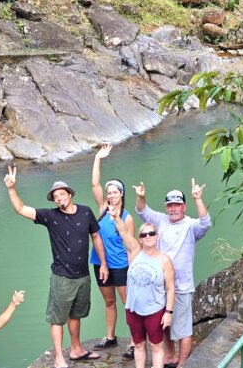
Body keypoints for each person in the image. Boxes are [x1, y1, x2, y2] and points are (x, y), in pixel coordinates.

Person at [3, 165, 108, 368]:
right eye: (55, 197)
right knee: (58, 318)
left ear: (70, 194)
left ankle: (76, 350)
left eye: (61, 194)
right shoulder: (51, 216)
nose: (59, 199)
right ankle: (59, 357)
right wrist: (11, 188)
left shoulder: (86, 212)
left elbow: (96, 237)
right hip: (62, 277)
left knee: (76, 315)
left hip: (83, 275)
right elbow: (21, 209)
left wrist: (103, 264)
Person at [133, 178, 211, 368]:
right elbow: (142, 210)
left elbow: (205, 222)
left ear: (184, 206)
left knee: (183, 329)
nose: (173, 208)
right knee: (163, 323)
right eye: (170, 205)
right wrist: (141, 196)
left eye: (177, 204)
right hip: (160, 286)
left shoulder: (190, 225)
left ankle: (182, 364)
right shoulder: (161, 220)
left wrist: (198, 199)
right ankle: (170, 356)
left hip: (181, 286)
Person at [108, 205, 175, 368]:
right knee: (138, 344)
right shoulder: (135, 252)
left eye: (151, 233)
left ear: (157, 236)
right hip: (133, 309)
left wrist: (168, 312)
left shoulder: (164, 260)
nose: (148, 236)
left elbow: (170, 288)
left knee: (156, 346)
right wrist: (116, 217)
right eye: (144, 234)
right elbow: (124, 233)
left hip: (155, 310)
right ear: (140, 239)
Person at [90, 144, 136, 360]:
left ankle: (135, 342)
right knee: (109, 302)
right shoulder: (102, 210)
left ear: (121, 194)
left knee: (128, 304)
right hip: (100, 263)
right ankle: (110, 337)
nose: (111, 195)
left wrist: (132, 268)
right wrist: (98, 158)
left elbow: (131, 246)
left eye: (115, 192)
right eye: (109, 193)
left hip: (120, 265)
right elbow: (95, 184)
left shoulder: (127, 217)